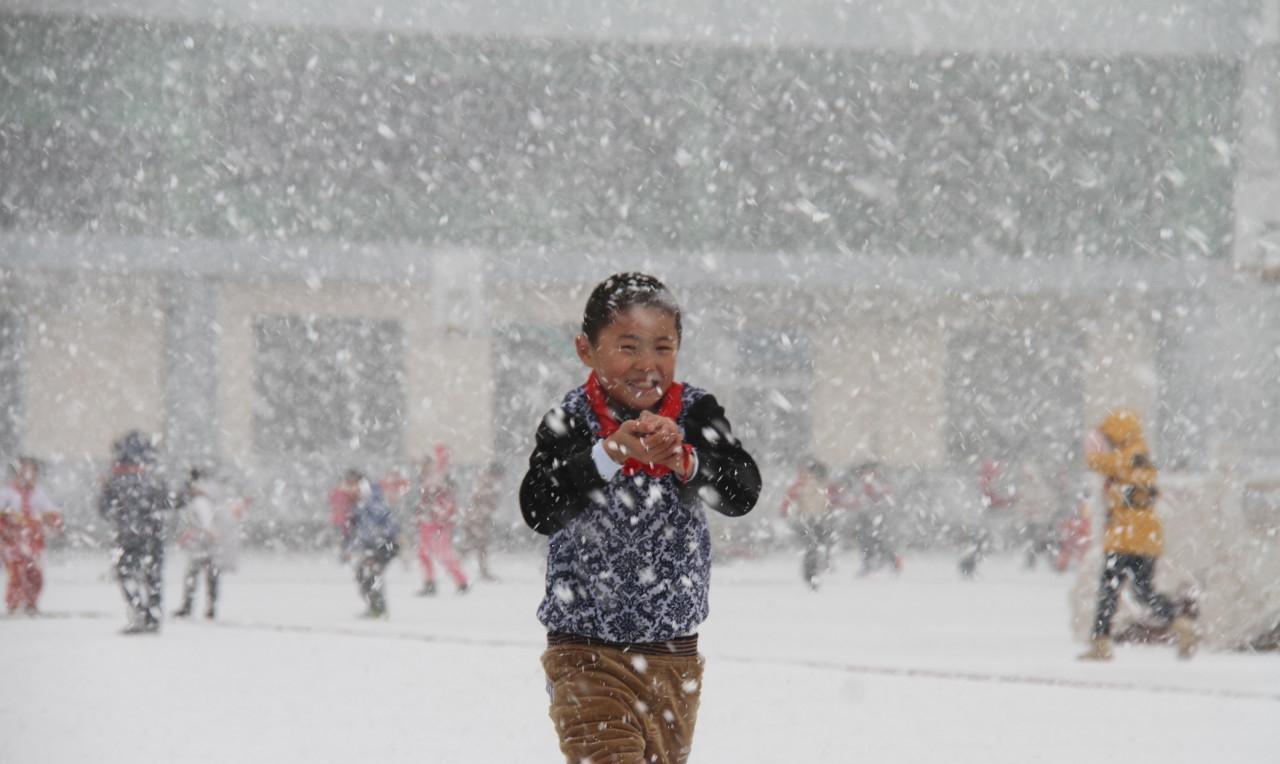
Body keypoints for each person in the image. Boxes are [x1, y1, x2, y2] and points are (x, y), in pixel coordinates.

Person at [520, 272, 761, 764]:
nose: (647, 365)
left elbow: (742, 492)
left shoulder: (696, 412)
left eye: (663, 348)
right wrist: (606, 454)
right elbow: (539, 507)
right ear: (586, 350)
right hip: (584, 650)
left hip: (674, 655)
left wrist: (686, 460)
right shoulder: (570, 419)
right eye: (628, 347)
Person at [1079, 410, 1196, 660]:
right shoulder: (1142, 457)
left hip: (1125, 536)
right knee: (1143, 590)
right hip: (1147, 537)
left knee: (1108, 590)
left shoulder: (1127, 457)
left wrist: (1094, 445)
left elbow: (1098, 463)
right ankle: (1178, 622)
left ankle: (1100, 644)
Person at [98, 431, 173, 634]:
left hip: (127, 536)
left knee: (126, 574)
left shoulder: (116, 476)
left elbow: (104, 508)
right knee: (153, 576)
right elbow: (167, 503)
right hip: (153, 535)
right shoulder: (154, 475)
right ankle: (152, 615)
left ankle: (139, 612)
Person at [173, 468, 243, 620]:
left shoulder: (200, 501)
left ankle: (190, 607)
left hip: (203, 545)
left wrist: (206, 533)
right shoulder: (211, 499)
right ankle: (209, 608)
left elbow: (206, 523)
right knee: (210, 577)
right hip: (207, 545)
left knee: (194, 576)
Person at [0, 456, 63, 615]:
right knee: (17, 570)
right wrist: (7, 523)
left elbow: (49, 512)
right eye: (24, 472)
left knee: (35, 572)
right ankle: (13, 603)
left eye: (32, 473)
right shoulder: (7, 493)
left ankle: (31, 601)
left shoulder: (37, 494)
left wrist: (54, 520)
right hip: (12, 540)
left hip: (33, 540)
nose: (28, 477)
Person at [413, 445, 469, 595]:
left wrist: (440, 452)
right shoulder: (425, 479)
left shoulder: (439, 477)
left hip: (439, 522)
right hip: (427, 521)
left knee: (444, 554)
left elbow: (445, 499)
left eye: (426, 464)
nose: (423, 467)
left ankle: (461, 581)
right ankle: (429, 582)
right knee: (424, 553)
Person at [345, 474, 401, 618]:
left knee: (371, 574)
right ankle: (375, 607)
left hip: (384, 546)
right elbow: (360, 533)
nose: (352, 490)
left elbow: (391, 526)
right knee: (365, 574)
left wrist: (380, 543)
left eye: (356, 487)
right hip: (374, 547)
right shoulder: (360, 507)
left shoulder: (373, 505)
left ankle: (378, 608)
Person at [780, 458, 836, 590]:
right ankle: (812, 574)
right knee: (813, 546)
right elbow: (789, 499)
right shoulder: (804, 484)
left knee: (816, 547)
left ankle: (813, 572)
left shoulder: (819, 485)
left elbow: (829, 501)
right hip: (807, 519)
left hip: (816, 519)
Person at [459, 462, 504, 582]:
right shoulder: (485, 482)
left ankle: (457, 564)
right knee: (477, 544)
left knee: (477, 545)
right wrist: (488, 502)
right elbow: (477, 498)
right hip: (476, 519)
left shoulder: (487, 482)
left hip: (478, 518)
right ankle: (455, 564)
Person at [329, 469, 362, 554]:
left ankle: (346, 555)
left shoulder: (341, 489)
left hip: (346, 519)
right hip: (344, 519)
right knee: (346, 540)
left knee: (347, 540)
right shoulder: (345, 490)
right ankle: (346, 555)